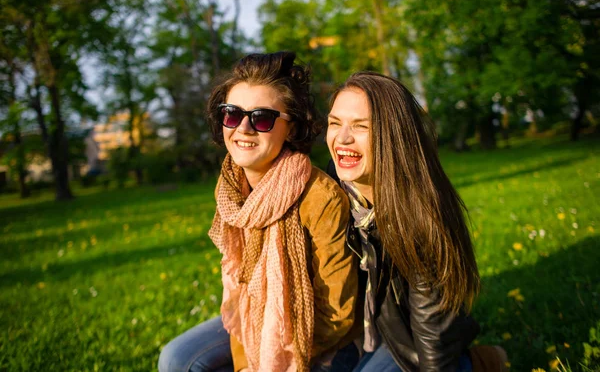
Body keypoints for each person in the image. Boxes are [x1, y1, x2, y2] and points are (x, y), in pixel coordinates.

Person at [158, 52, 359, 372]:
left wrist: (275, 356)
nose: (244, 128)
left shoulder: (319, 198)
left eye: (262, 118)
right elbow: (240, 290)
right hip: (255, 322)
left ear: (291, 129)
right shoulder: (230, 189)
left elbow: (337, 312)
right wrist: (244, 363)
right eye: (232, 114)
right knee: (177, 358)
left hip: (320, 342)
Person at [326, 72, 508, 372]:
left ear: (393, 136)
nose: (342, 138)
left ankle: (478, 362)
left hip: (408, 340)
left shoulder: (421, 216)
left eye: (361, 127)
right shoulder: (329, 190)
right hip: (354, 333)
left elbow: (433, 341)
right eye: (335, 123)